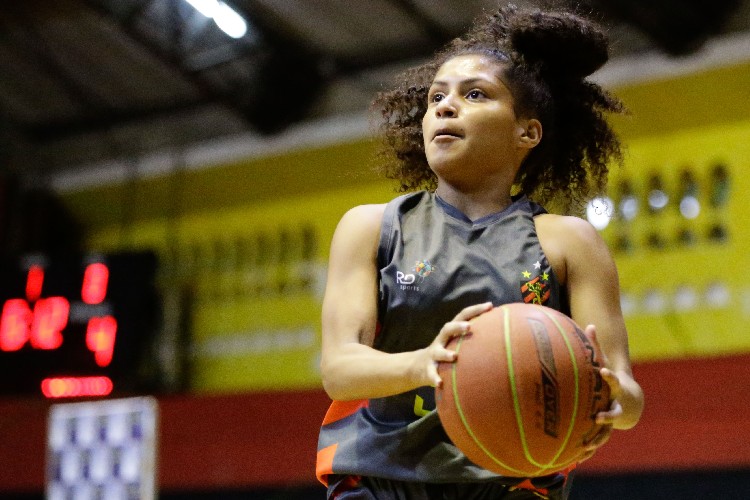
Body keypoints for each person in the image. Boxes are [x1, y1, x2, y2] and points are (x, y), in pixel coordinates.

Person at [316, 4, 645, 499]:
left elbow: (627, 389)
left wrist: (612, 401)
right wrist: (423, 363)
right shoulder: (372, 227)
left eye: (475, 94)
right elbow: (339, 370)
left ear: (526, 131)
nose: (445, 107)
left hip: (513, 485)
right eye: (435, 98)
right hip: (382, 483)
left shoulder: (568, 241)